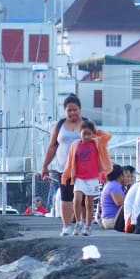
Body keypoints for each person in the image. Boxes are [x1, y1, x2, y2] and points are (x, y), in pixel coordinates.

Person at [40, 94, 85, 236]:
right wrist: (45, 165)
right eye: (69, 110)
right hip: (64, 167)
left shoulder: (87, 124)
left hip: (84, 168)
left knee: (81, 197)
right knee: (66, 196)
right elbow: (52, 146)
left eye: (75, 109)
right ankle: (66, 226)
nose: (72, 113)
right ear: (65, 111)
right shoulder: (59, 125)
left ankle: (81, 224)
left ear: (80, 109)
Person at [61, 118, 112, 236]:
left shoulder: (97, 143)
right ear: (80, 132)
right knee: (77, 199)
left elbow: (108, 136)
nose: (87, 136)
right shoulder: (75, 145)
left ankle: (88, 226)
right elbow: (69, 162)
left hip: (93, 177)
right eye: (85, 133)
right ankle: (79, 221)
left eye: (90, 134)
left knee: (89, 203)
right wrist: (65, 176)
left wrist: (96, 131)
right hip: (79, 177)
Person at [100, 164, 126, 230]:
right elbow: (120, 203)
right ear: (120, 176)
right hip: (112, 220)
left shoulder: (110, 184)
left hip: (108, 220)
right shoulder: (115, 186)